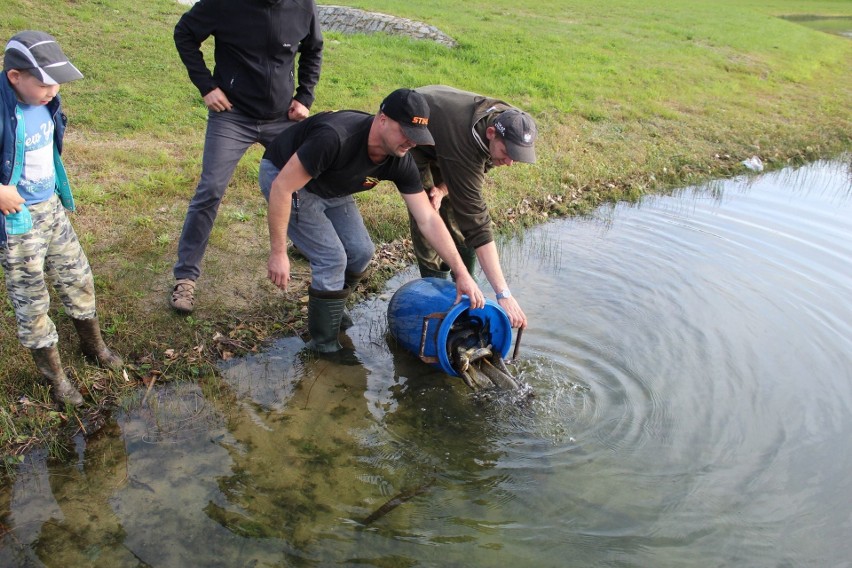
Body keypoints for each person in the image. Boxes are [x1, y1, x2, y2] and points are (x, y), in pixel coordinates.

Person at [259, 88, 485, 353]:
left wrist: (460, 273)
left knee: (361, 252)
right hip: (287, 179)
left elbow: (427, 218)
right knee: (332, 259)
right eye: (406, 132)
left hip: (334, 186)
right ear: (382, 119)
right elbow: (282, 188)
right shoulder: (336, 137)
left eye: (417, 137)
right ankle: (324, 345)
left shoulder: (399, 158)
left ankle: (331, 309)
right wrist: (277, 253)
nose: (411, 143)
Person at [170, 0, 324, 313]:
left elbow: (313, 49)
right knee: (210, 189)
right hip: (232, 114)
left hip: (283, 116)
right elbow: (185, 33)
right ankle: (185, 277)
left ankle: (307, 244)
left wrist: (305, 96)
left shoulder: (303, 5)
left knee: (307, 182)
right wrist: (207, 86)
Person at [1, 31, 123, 406]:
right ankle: (56, 378)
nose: (52, 90)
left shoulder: (45, 101)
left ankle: (94, 347)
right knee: (32, 299)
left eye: (56, 82)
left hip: (51, 209)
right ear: (14, 77)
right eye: (44, 83)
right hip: (17, 220)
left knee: (78, 276)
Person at [407, 85, 539, 329]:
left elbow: (482, 165)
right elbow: (478, 223)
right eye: (507, 153)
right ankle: (438, 295)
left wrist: (444, 189)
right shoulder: (465, 140)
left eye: (516, 155)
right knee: (425, 210)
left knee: (454, 212)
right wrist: (504, 294)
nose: (510, 162)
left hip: (447, 138)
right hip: (416, 134)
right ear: (491, 133)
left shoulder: (511, 122)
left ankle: (467, 283)